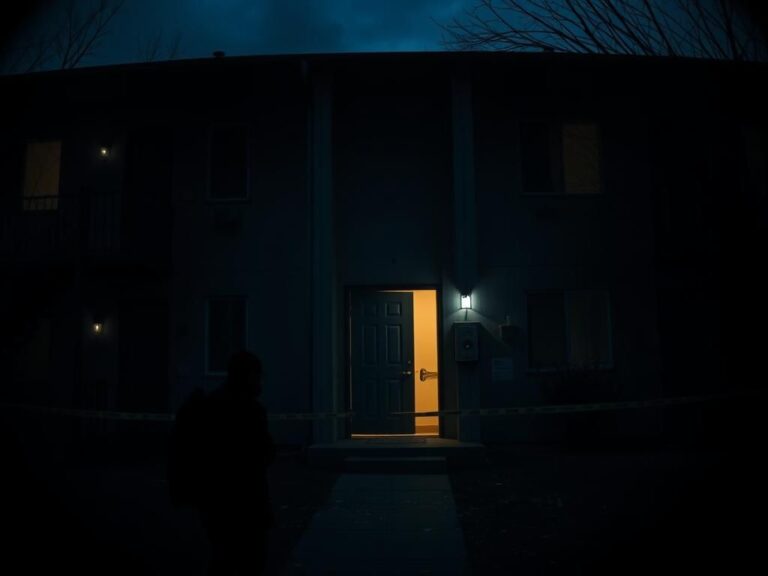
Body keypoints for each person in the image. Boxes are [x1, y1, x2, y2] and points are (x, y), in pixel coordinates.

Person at [197, 349, 276, 575]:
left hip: (218, 503)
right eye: (258, 375)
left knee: (221, 559)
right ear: (249, 376)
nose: (261, 380)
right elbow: (265, 452)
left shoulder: (212, 404)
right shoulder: (250, 410)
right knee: (250, 561)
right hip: (247, 502)